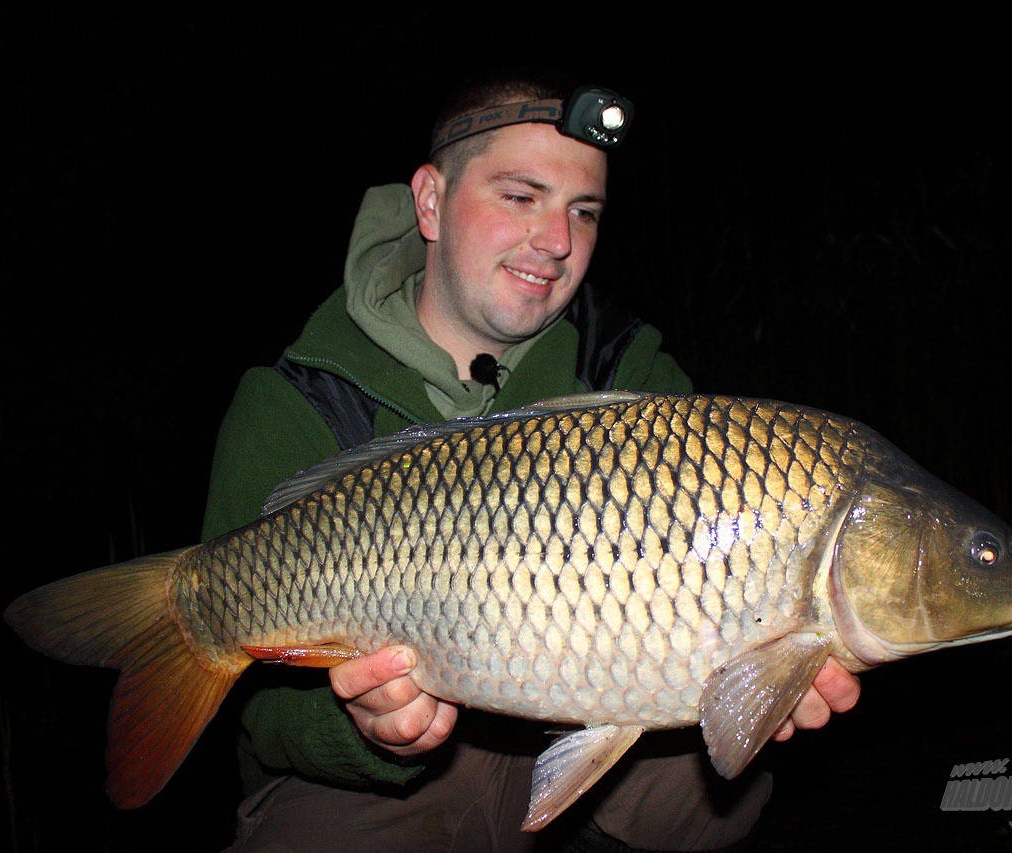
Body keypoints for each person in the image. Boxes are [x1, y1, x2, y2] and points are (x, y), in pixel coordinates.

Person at [205, 67, 860, 851]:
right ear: (430, 201)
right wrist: (366, 727)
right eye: (521, 197)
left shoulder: (630, 376)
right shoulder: (296, 403)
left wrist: (765, 681)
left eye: (584, 212)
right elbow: (262, 714)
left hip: (587, 745)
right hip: (393, 785)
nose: (557, 242)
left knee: (706, 787)